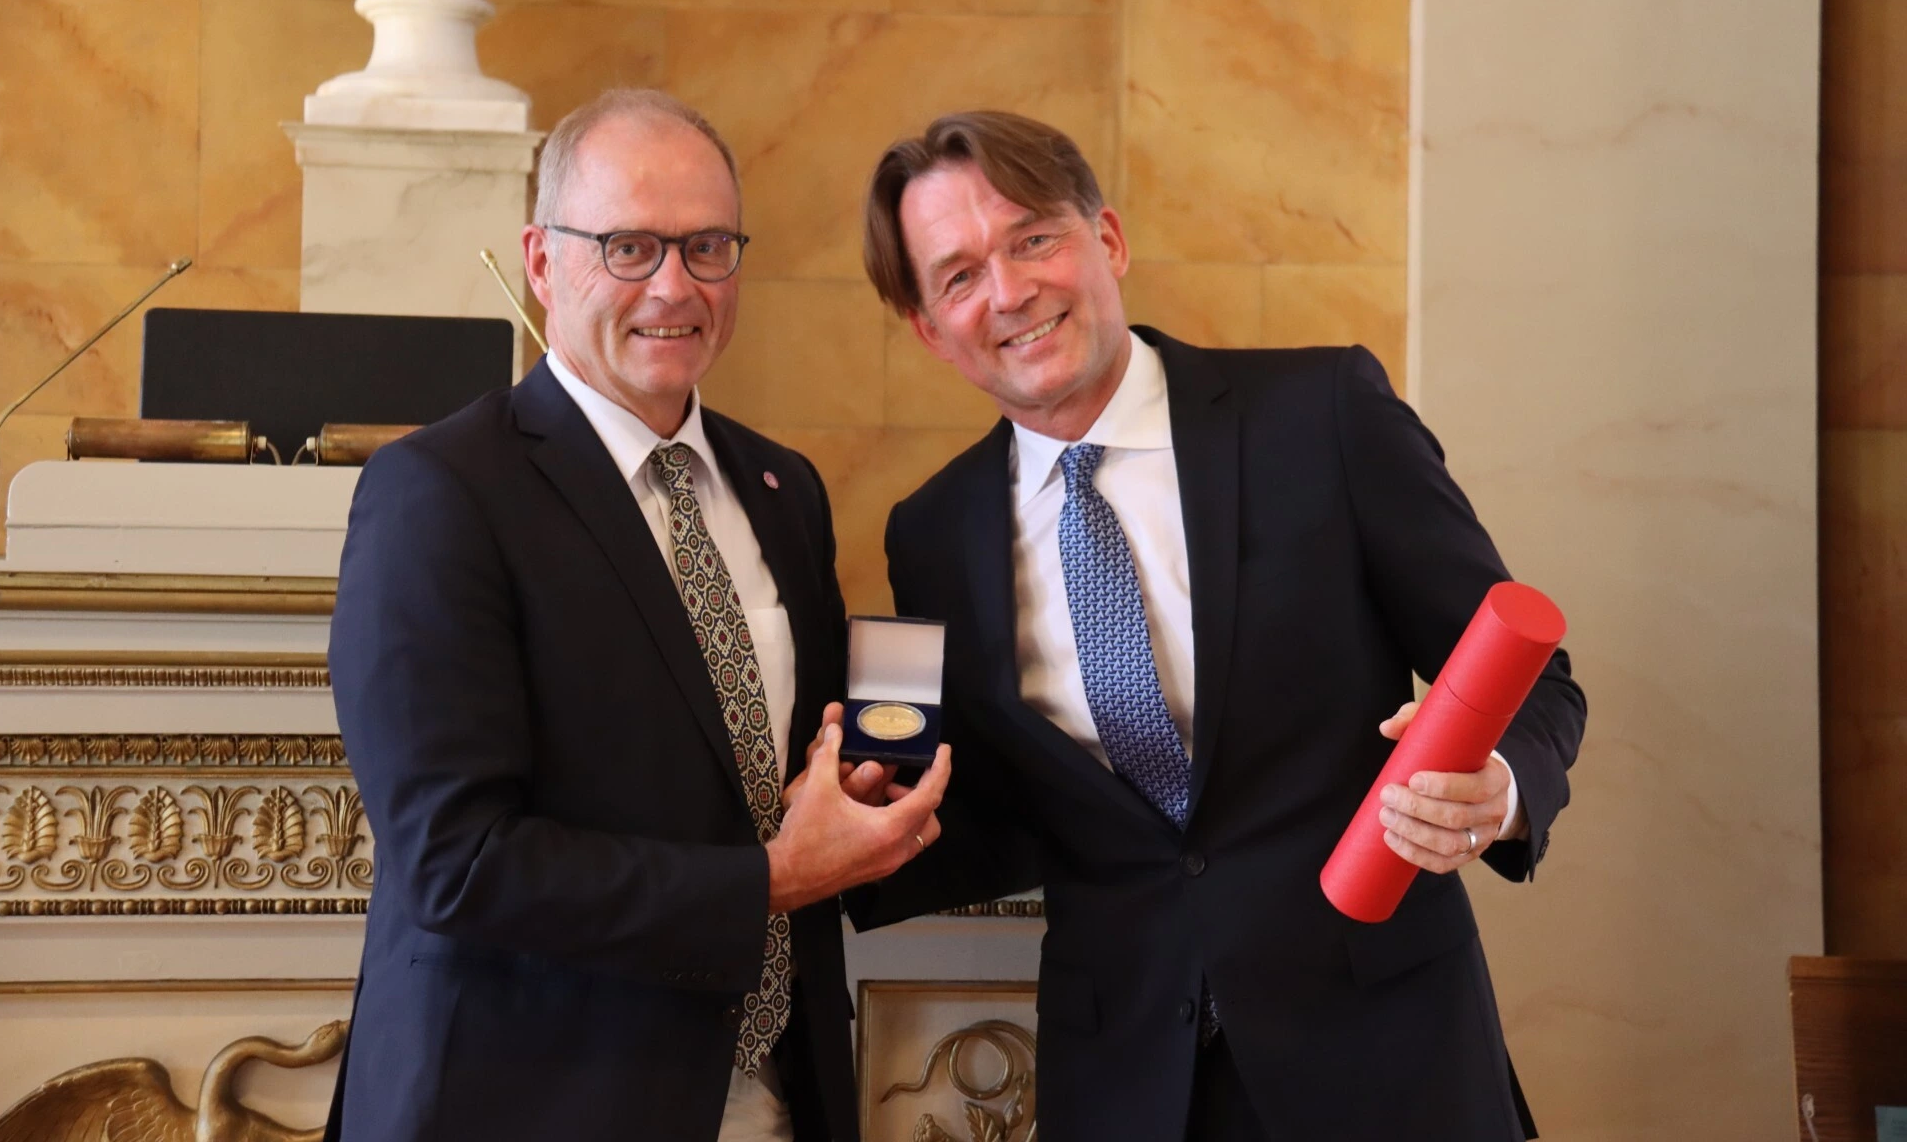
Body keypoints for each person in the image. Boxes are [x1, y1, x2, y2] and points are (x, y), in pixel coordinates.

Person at [840, 110, 1586, 1141]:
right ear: (930, 326)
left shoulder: (1321, 414)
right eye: (959, 275)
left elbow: (1539, 682)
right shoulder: (933, 533)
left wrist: (1494, 789)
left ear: (1106, 238)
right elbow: (1008, 814)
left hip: (1385, 1058)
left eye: (1032, 239)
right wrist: (845, 823)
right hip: (1128, 1082)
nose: (1008, 291)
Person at [323, 88, 949, 1142]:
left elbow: (776, 770)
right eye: (628, 246)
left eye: (708, 245)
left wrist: (869, 793)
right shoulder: (439, 490)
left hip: (776, 1094)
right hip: (530, 1099)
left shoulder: (780, 486)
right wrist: (774, 877)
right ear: (541, 258)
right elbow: (455, 858)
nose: (675, 284)